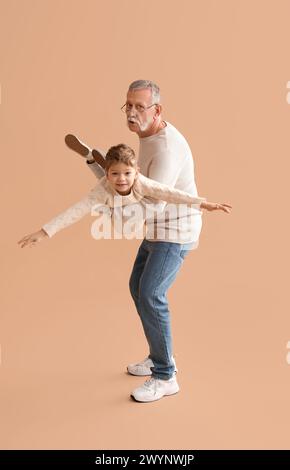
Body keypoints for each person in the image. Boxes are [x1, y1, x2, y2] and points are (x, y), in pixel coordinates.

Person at [18, 140, 232, 403]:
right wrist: (44, 231)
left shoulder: (143, 183)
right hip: (150, 228)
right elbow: (75, 210)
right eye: (115, 173)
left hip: (171, 231)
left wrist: (202, 203)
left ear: (137, 171)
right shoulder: (105, 187)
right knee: (137, 287)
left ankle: (166, 375)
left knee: (151, 295)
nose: (122, 178)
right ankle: (158, 356)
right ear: (108, 173)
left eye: (127, 173)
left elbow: (171, 192)